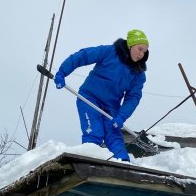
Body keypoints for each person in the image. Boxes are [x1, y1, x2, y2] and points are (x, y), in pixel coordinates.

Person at [54, 29, 149, 161]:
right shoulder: (109, 52)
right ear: (130, 44)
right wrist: (62, 72)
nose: (142, 54)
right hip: (90, 98)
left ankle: (124, 164)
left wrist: (121, 116)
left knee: (114, 136)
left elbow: (133, 97)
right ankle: (89, 161)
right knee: (94, 132)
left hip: (111, 107)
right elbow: (83, 56)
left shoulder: (138, 73)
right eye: (140, 49)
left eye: (144, 51)